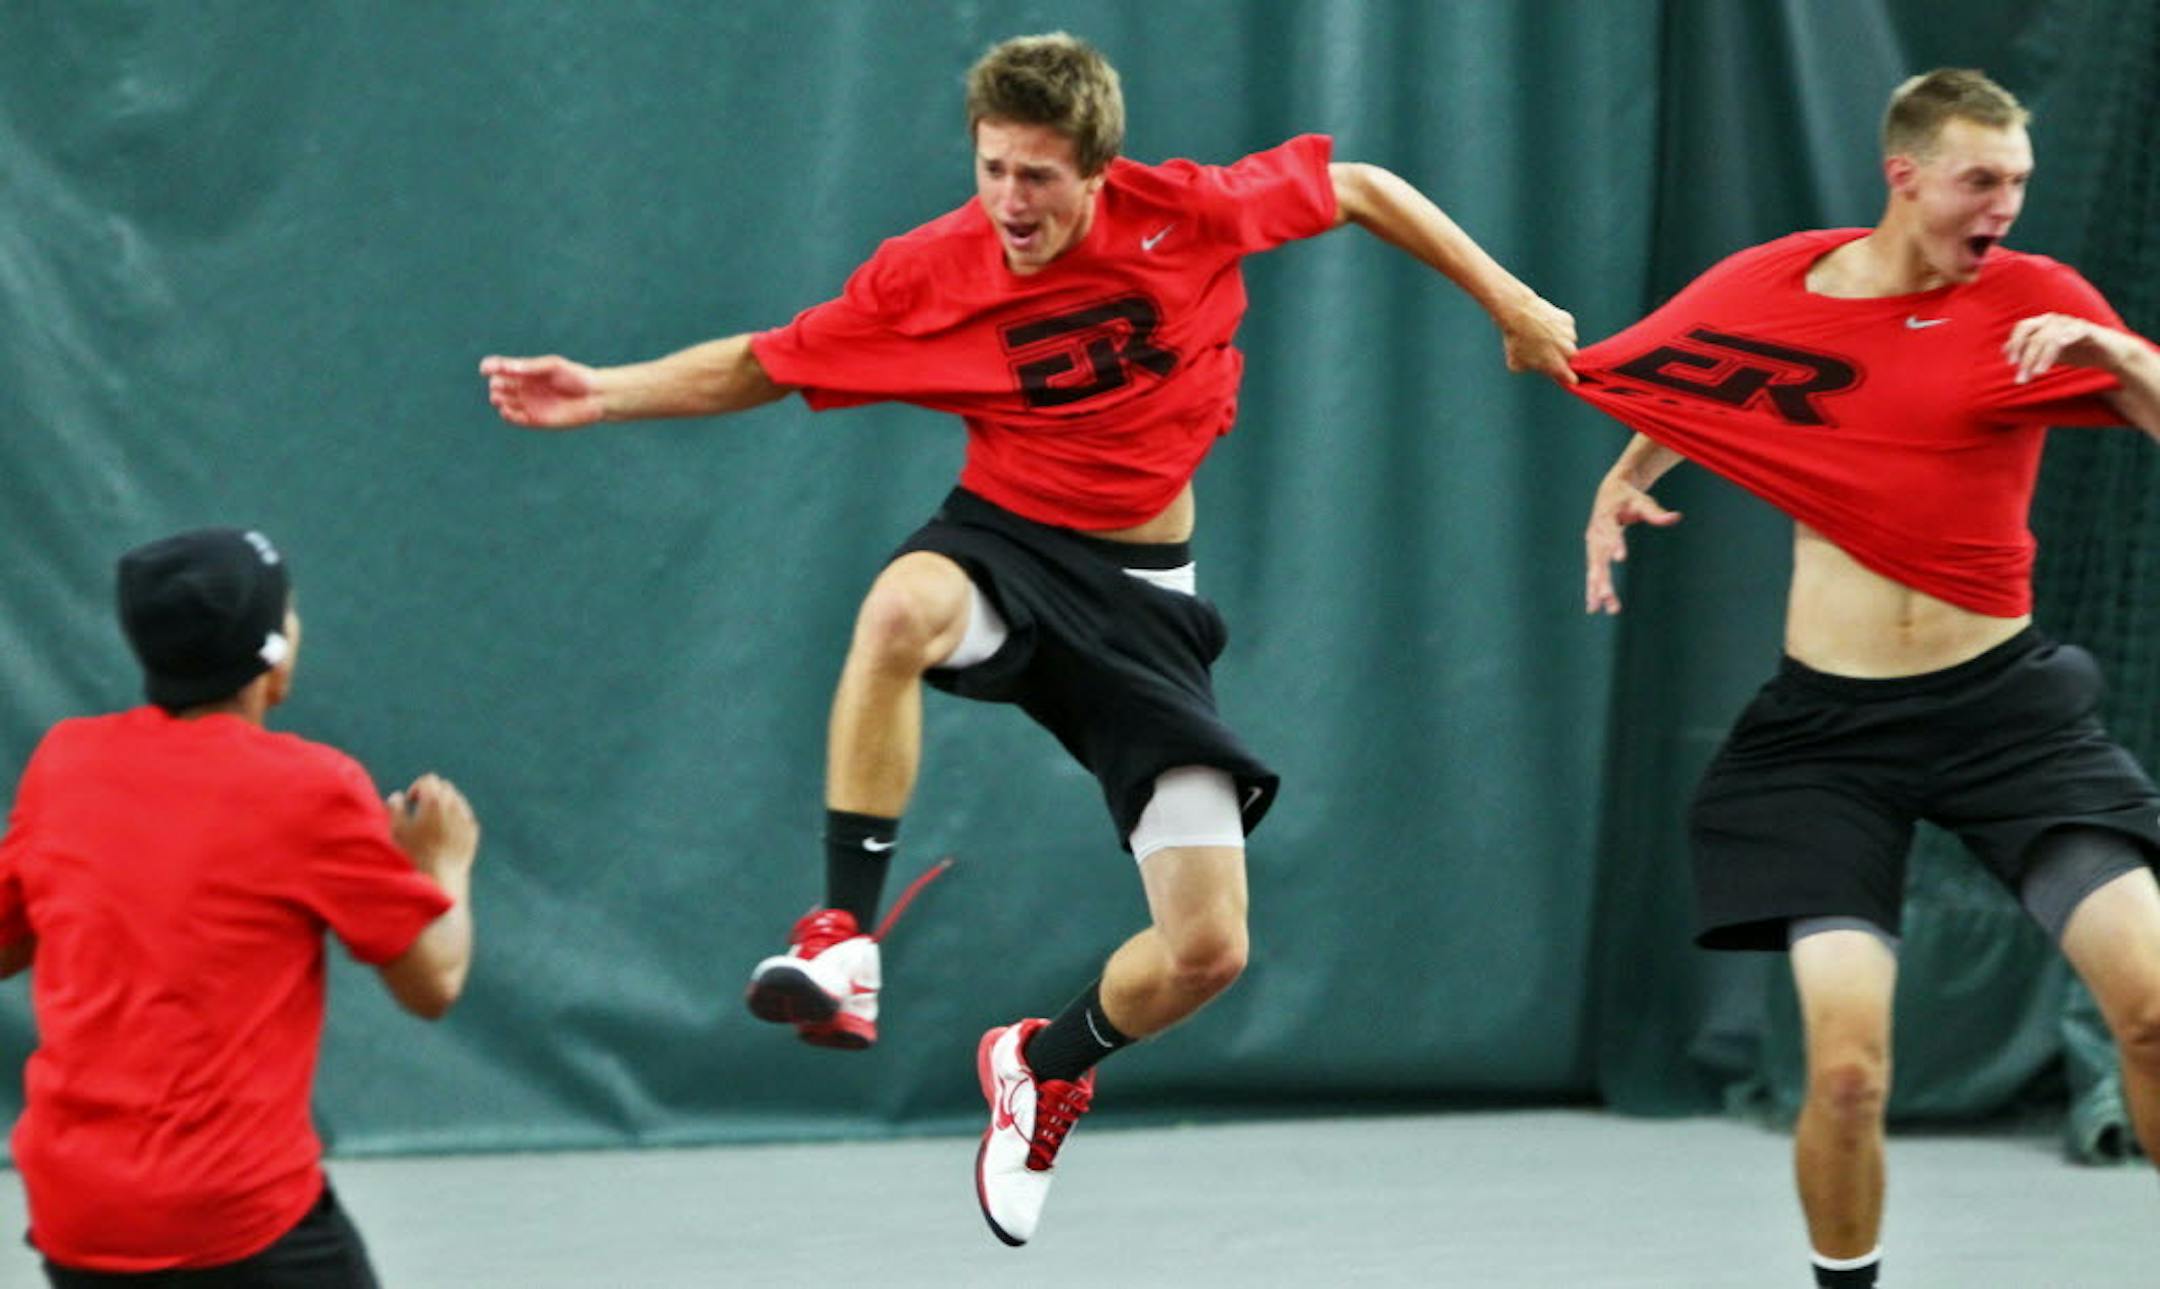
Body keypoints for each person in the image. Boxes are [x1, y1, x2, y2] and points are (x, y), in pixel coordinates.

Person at [482, 31, 1575, 1244]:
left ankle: (1045, 1065)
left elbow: (1364, 188)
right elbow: (763, 362)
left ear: (1098, 170)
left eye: (1039, 177)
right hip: (1003, 540)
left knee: (1209, 949)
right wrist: (605, 389)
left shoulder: (1189, 217)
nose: (1011, 201)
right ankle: (842, 936)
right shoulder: (930, 271)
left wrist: (1517, 305)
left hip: (1147, 591)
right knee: (899, 607)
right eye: (993, 169)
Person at [1571, 69, 2160, 1287]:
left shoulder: (2035, 301)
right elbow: (1695, 369)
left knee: (2153, 1012)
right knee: (1844, 1072)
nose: (2004, 206)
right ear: (1905, 177)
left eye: (2019, 184)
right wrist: (1627, 471)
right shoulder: (1784, 281)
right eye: (1981, 181)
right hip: (1828, 741)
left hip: (2008, 717)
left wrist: (2113, 347)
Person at [0, 528, 481, 1286]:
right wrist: (442, 862)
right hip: (236, 1222)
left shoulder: (65, 762)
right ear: (272, 653)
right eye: (288, 612)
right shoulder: (312, 788)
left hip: (76, 1215)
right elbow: (435, 982)